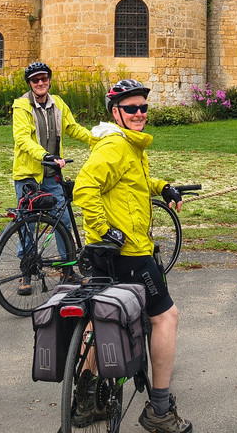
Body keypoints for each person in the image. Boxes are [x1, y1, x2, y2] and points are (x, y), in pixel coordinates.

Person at [73, 79, 192, 433]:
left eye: (143, 108)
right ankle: (159, 408)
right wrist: (106, 227)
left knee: (99, 316)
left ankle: (86, 398)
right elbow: (84, 187)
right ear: (116, 112)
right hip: (129, 252)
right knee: (166, 317)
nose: (139, 113)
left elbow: (135, 182)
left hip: (102, 251)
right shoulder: (115, 146)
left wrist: (162, 187)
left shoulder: (127, 145)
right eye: (131, 109)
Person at [11, 61, 93, 289]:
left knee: (63, 220)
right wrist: (45, 155)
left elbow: (73, 128)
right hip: (28, 174)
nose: (40, 83)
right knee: (27, 224)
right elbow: (22, 139)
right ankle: (26, 272)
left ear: (49, 80)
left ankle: (67, 270)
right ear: (29, 83)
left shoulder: (58, 104)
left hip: (51, 175)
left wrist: (97, 139)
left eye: (43, 79)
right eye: (35, 80)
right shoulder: (21, 106)